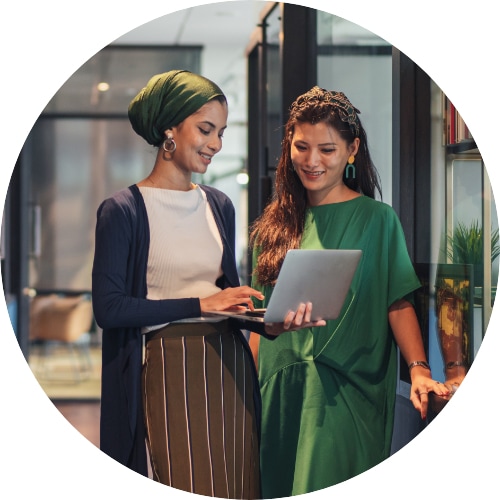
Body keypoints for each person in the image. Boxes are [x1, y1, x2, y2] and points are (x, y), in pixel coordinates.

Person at [91, 69, 312, 498]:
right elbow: (110, 308)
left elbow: (227, 299)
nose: (216, 144)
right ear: (169, 129)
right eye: (206, 129)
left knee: (238, 482)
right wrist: (201, 305)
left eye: (222, 132)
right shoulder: (122, 210)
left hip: (229, 366)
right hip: (169, 365)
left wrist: (269, 323)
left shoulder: (218, 205)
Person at [248, 86, 451, 497]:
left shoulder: (378, 220)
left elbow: (397, 301)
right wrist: (246, 396)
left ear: (352, 149)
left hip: (345, 393)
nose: (312, 161)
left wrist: (419, 369)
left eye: (326, 149)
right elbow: (258, 320)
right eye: (301, 147)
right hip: (278, 389)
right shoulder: (273, 226)